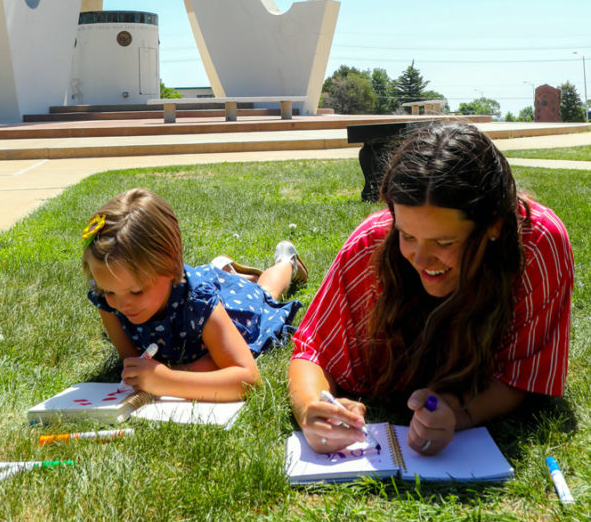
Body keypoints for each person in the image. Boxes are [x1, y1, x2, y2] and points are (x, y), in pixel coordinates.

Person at [288, 122, 574, 456]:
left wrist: (458, 411)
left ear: (494, 224)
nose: (420, 258)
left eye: (444, 241)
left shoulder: (537, 245)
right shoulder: (371, 244)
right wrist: (311, 408)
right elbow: (312, 350)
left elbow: (523, 373)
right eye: (407, 235)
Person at [82, 187, 307, 402]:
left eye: (137, 291)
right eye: (109, 291)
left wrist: (166, 380)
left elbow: (248, 379)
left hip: (231, 312)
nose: (122, 303)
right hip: (197, 325)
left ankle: (287, 262)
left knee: (263, 293)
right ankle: (225, 270)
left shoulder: (198, 302)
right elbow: (132, 363)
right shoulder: (108, 300)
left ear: (171, 265)